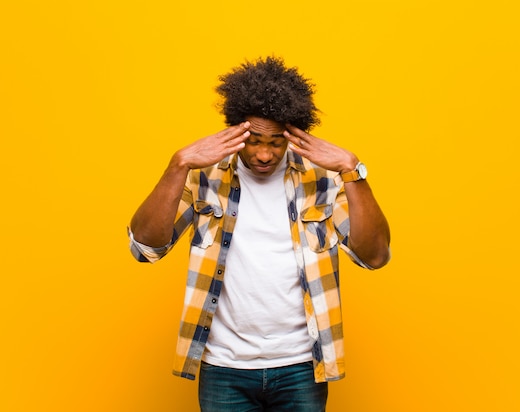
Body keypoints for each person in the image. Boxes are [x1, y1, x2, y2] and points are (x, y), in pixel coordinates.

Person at [128, 56, 391, 412]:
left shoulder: (324, 180)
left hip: (301, 367)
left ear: (292, 135)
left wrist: (352, 171)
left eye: (275, 142)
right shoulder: (202, 176)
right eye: (253, 140)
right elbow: (145, 247)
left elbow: (374, 256)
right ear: (236, 130)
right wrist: (179, 165)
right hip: (224, 368)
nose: (264, 154)